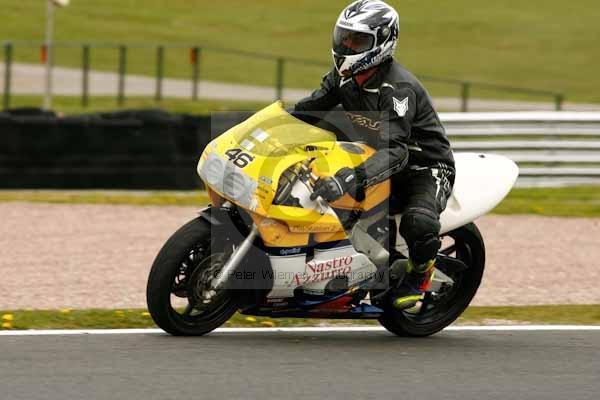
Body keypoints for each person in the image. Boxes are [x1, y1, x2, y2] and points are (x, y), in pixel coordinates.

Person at [294, 0, 455, 309]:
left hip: (424, 166)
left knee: (418, 222)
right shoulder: (342, 77)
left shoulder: (398, 89)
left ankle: (420, 273)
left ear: (382, 42)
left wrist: (347, 178)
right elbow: (306, 112)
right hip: (376, 155)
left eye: (357, 41)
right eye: (344, 37)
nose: (347, 46)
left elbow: (395, 150)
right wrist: (265, 125)